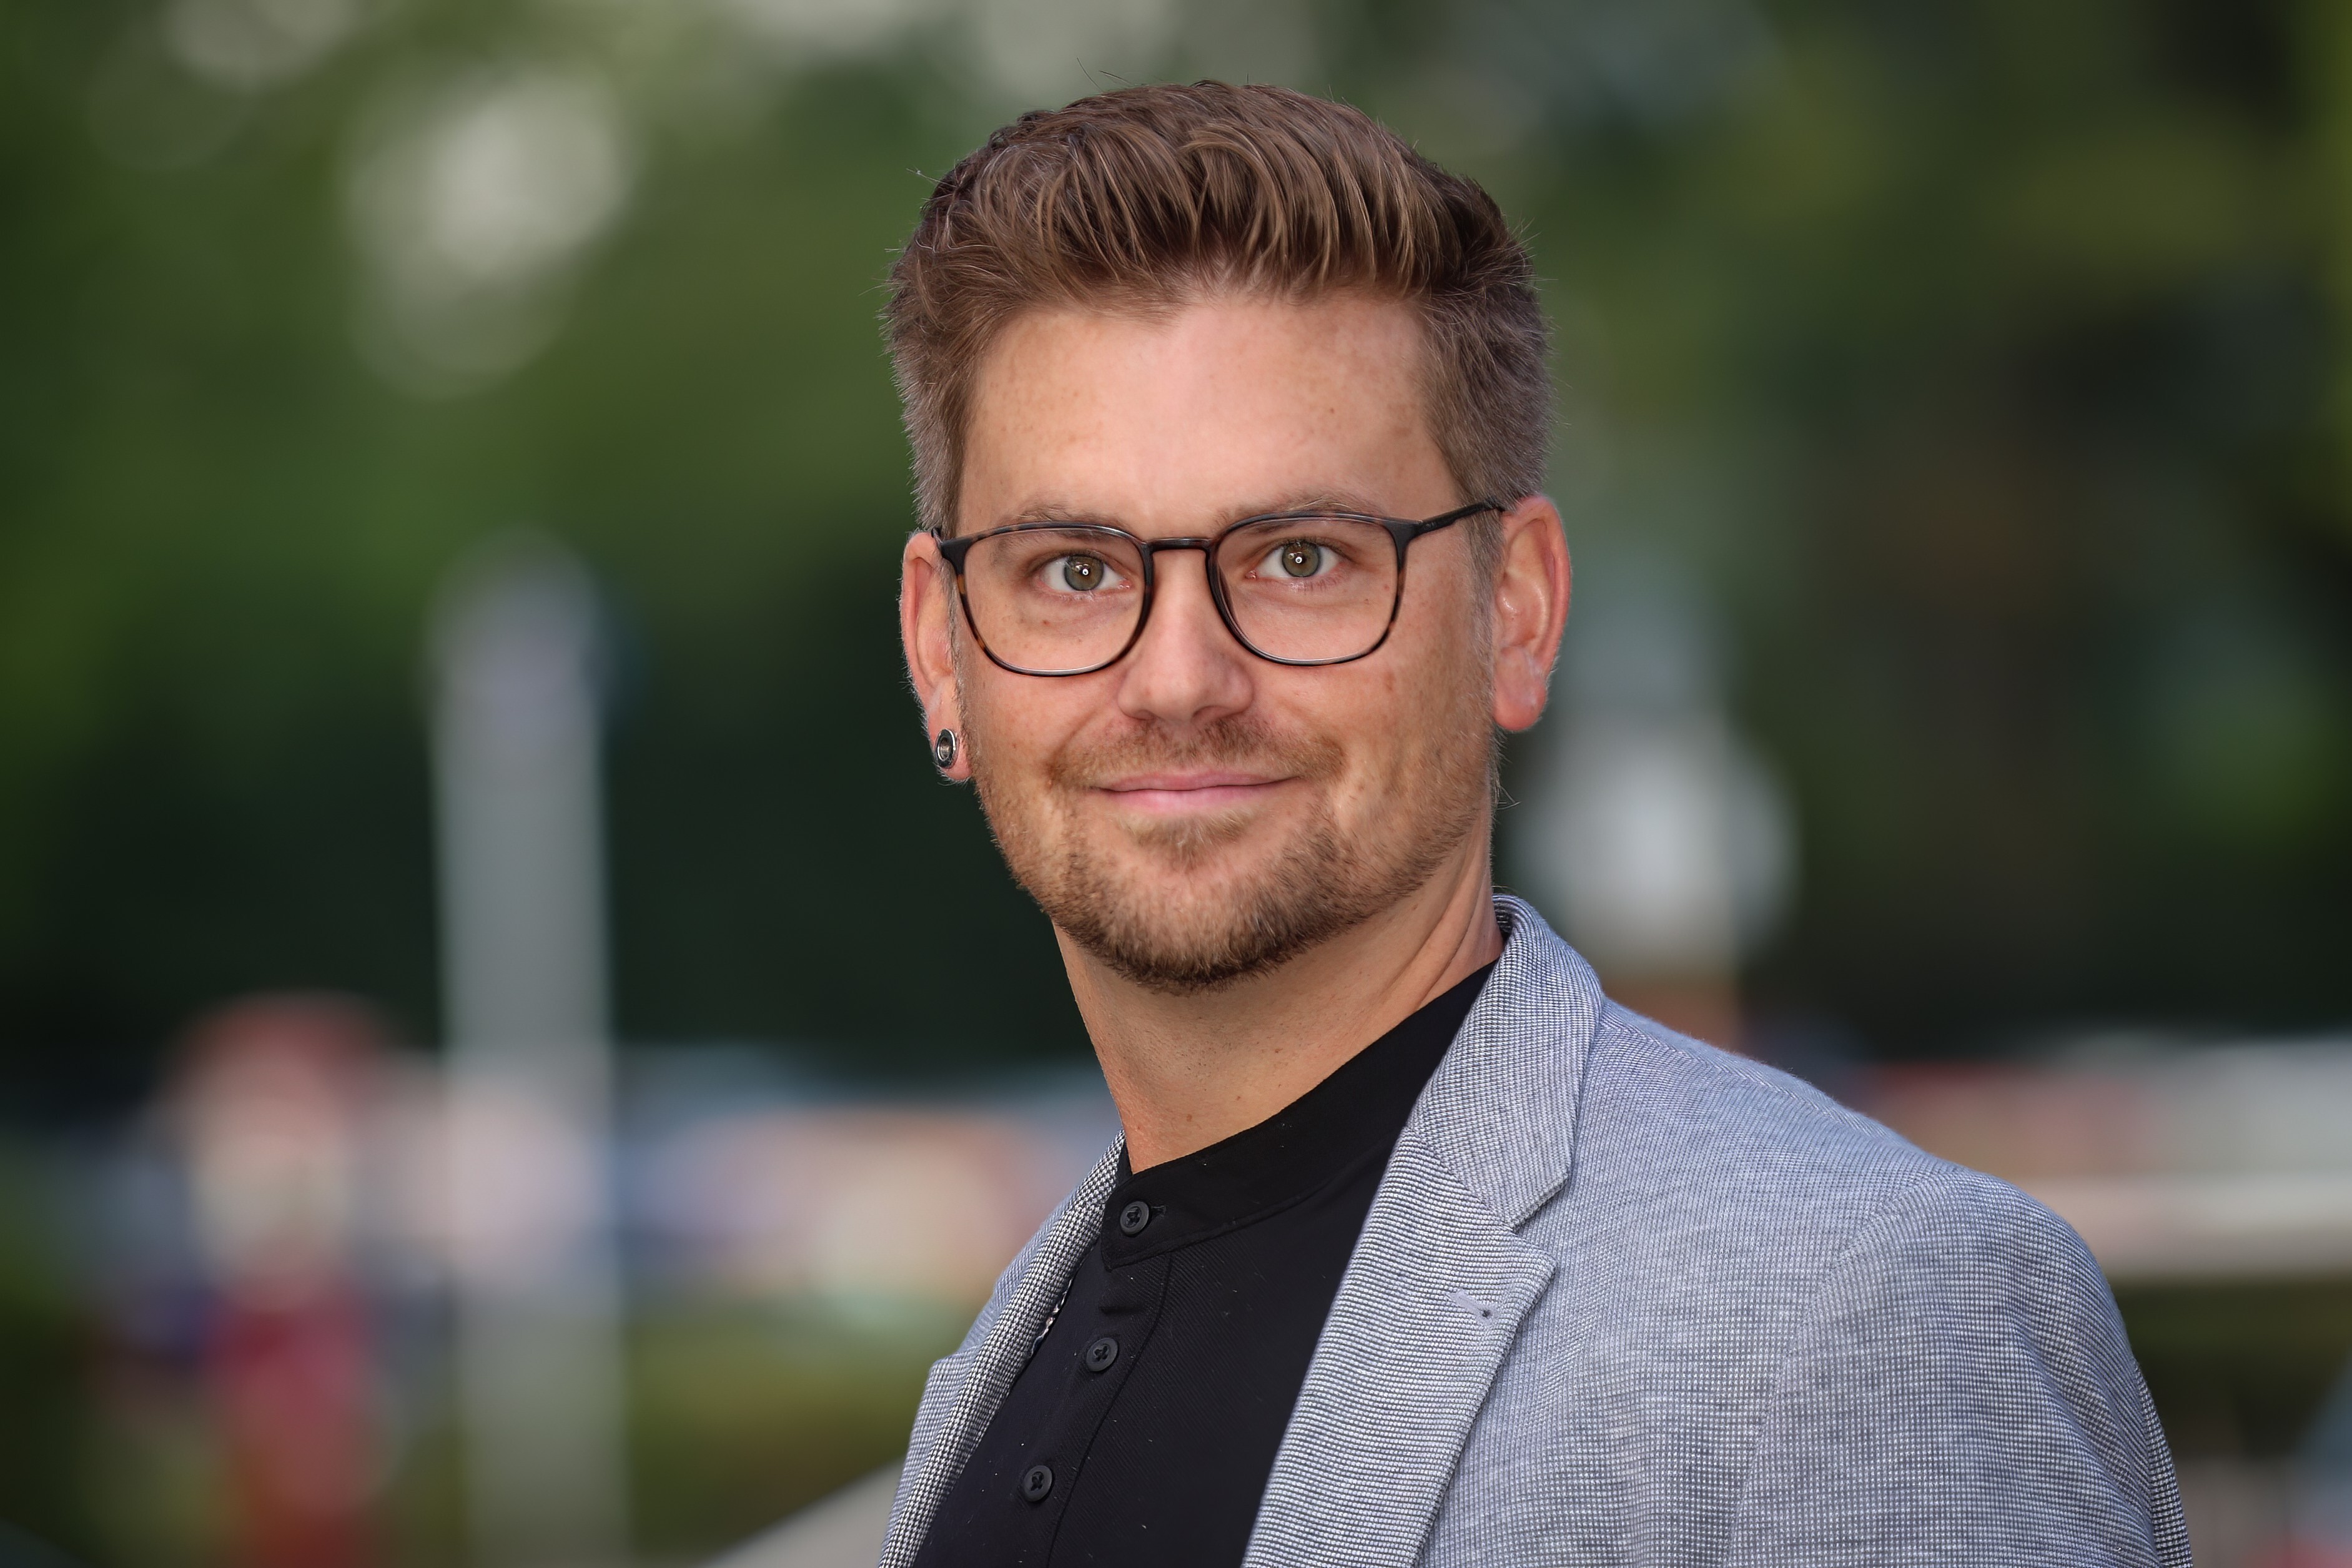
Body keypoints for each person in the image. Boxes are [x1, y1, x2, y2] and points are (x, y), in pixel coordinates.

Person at [883, 81, 2188, 1568]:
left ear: (1514, 610)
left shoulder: (1857, 1307)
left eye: (1299, 557)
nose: (1179, 679)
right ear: (940, 646)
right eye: (1072, 569)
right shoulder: (1019, 1348)